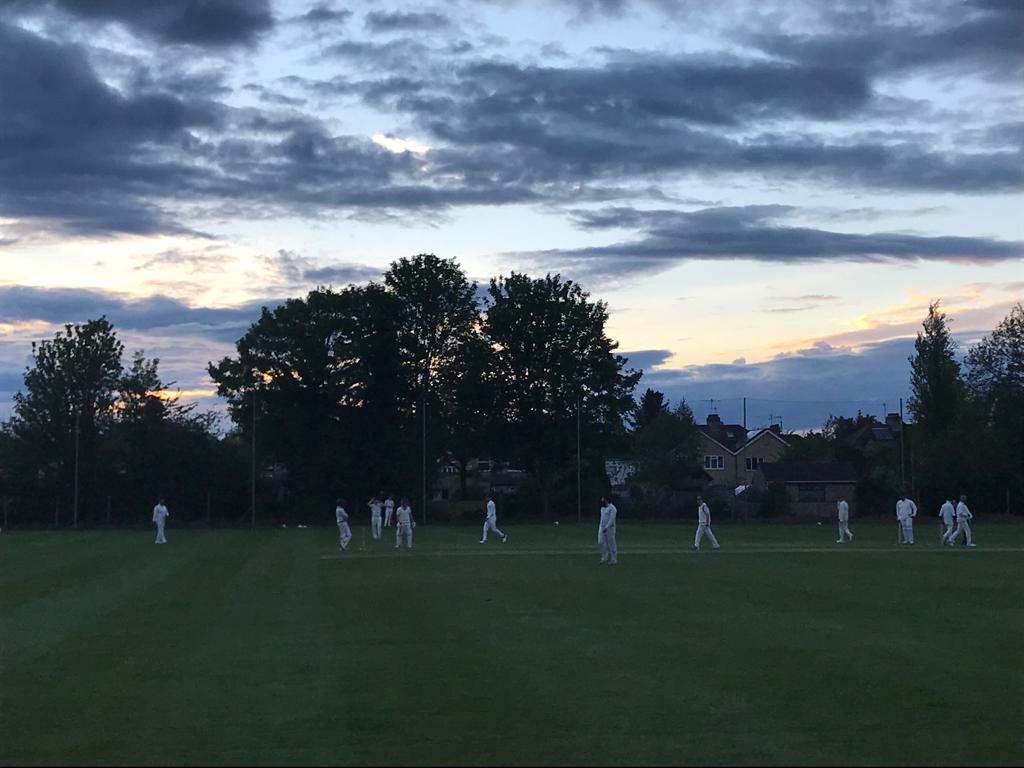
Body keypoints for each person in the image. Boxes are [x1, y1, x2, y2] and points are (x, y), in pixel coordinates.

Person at [598, 496, 617, 564]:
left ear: (606, 500)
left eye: (603, 500)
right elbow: (602, 518)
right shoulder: (602, 508)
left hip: (610, 528)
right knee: (600, 542)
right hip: (602, 527)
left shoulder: (612, 508)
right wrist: (601, 526)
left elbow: (611, 519)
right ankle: (604, 557)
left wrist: (607, 527)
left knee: (611, 544)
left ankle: (613, 559)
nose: (602, 502)